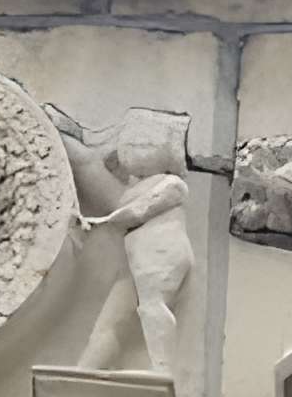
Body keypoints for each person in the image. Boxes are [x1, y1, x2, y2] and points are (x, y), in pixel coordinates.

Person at [61, 107, 195, 377]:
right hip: (138, 260)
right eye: (130, 143)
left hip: (161, 256)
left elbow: (136, 211)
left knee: (152, 306)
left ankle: (162, 369)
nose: (135, 149)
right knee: (110, 321)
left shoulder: (172, 185)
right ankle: (87, 370)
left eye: (146, 144)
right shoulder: (133, 188)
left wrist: (96, 221)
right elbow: (89, 165)